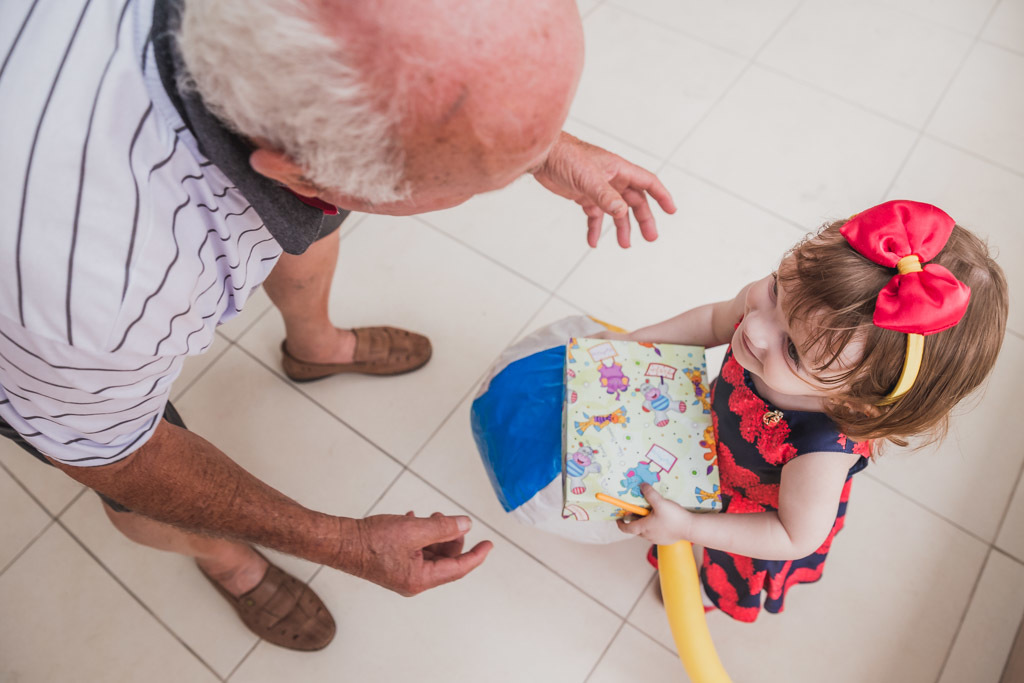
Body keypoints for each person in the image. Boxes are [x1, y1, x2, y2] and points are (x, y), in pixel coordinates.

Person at [0, 0, 675, 651]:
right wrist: (338, 541)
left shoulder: (303, 96)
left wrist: (529, 140)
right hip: (70, 373)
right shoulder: (87, 298)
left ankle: (315, 345)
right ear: (296, 167)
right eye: (476, 182)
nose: (508, 179)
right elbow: (119, 457)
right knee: (143, 491)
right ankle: (228, 559)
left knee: (312, 223)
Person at [613, 200, 1008, 621]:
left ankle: (707, 588)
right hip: (707, 446)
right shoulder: (771, 320)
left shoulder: (821, 452)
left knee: (716, 558)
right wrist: (631, 344)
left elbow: (791, 534)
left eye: (795, 351)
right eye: (775, 288)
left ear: (853, 401)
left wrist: (687, 529)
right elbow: (713, 321)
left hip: (754, 516)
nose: (754, 328)